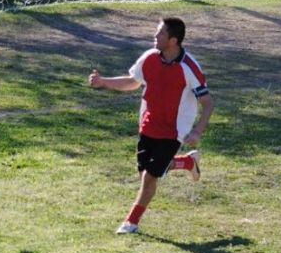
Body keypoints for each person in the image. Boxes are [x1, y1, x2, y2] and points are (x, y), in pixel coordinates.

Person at [88, 17, 214, 234]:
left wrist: (196, 130)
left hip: (174, 131)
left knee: (149, 177)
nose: (155, 37)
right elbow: (132, 81)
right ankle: (186, 163)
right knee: (147, 172)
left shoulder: (189, 67)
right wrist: (104, 82)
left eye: (160, 33)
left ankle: (131, 222)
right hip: (148, 125)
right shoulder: (149, 58)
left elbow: (208, 102)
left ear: (173, 40)